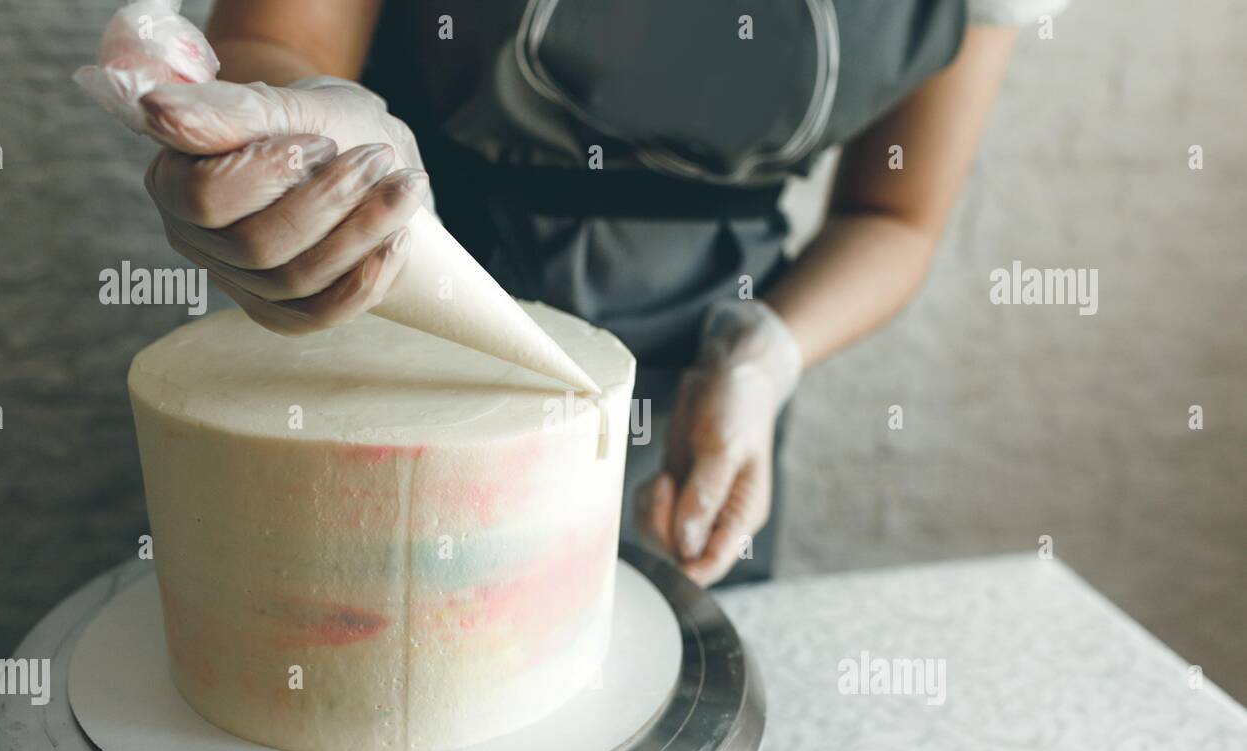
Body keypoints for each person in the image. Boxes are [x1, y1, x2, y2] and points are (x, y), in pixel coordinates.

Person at [137, 0, 1066, 587]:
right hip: (384, 302)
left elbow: (894, 215)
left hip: (703, 392)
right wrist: (303, 144)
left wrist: (766, 353)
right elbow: (276, 34)